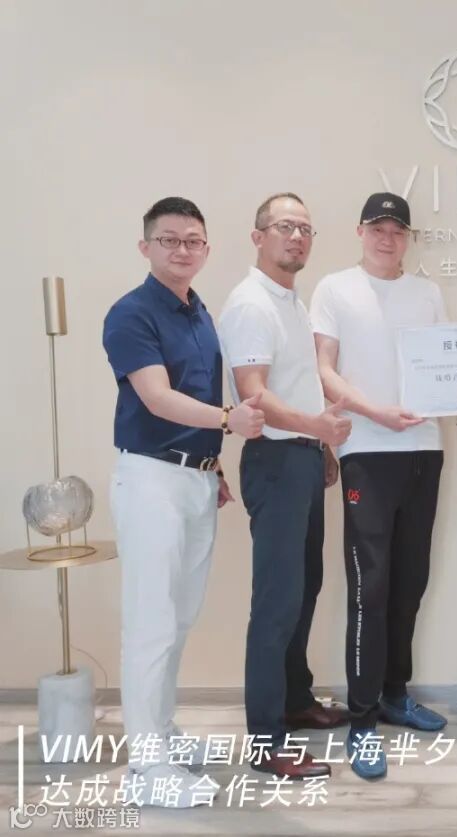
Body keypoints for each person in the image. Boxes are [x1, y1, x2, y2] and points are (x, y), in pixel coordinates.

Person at [103, 197, 264, 807]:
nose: (182, 250)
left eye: (193, 240)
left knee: (178, 619)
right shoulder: (131, 313)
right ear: (145, 247)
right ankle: (147, 767)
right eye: (169, 240)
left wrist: (213, 463)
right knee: (150, 623)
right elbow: (157, 397)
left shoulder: (200, 313)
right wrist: (228, 420)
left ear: (206, 249)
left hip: (195, 480)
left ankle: (163, 735)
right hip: (151, 481)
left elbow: (195, 390)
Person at [310, 193, 448, 781]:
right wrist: (376, 413)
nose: (387, 237)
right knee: (371, 587)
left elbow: (443, 369)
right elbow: (323, 369)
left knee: (411, 582)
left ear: (408, 237)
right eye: (377, 228)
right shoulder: (335, 289)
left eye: (397, 229)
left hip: (424, 450)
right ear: (360, 232)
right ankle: (362, 720)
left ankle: (395, 695)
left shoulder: (427, 293)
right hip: (366, 452)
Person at [218, 193, 353, 780]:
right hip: (274, 461)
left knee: (304, 588)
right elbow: (254, 394)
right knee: (276, 602)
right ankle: (267, 740)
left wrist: (321, 446)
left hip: (301, 457)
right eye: (284, 227)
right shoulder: (251, 304)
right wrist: (316, 429)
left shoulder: (291, 301)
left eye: (304, 228)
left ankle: (296, 700)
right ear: (258, 236)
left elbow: (299, 385)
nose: (297, 237)